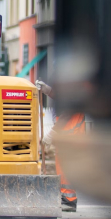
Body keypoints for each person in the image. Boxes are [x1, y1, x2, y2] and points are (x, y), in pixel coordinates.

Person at [36, 80, 85, 212]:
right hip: (67, 137)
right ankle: (66, 197)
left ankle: (69, 200)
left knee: (66, 170)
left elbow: (68, 112)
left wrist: (52, 133)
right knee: (62, 168)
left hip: (71, 138)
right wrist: (48, 91)